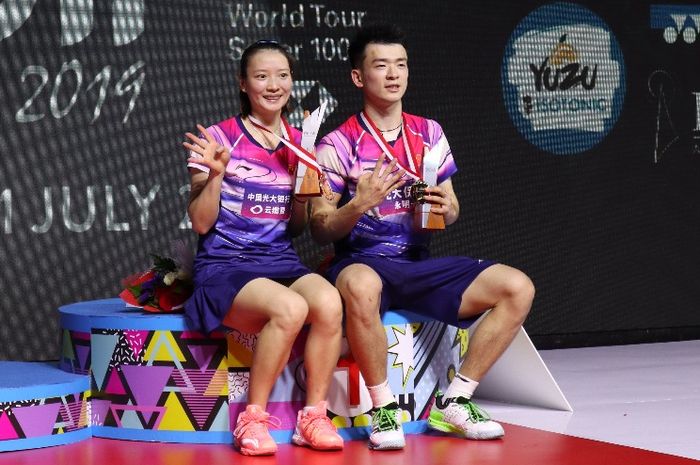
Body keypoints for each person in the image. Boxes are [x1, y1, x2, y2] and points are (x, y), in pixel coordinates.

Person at [310, 23, 535, 450]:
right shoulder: (337, 145)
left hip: (417, 264)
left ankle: (455, 400)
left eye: (401, 64)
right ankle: (381, 410)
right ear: (359, 77)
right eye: (381, 65)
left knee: (517, 287)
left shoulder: (429, 132)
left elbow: (452, 208)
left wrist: (443, 207)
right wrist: (358, 203)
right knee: (360, 283)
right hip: (361, 262)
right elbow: (321, 228)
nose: (393, 74)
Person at [182, 40, 344, 456]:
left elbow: (294, 228)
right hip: (226, 264)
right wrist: (216, 175)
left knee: (328, 301)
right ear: (243, 83)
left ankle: (314, 416)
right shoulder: (218, 138)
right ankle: (251, 419)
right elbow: (201, 222)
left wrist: (305, 194)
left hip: (278, 260)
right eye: (261, 76)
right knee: (291, 308)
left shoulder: (299, 144)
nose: (273, 85)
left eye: (282, 75)